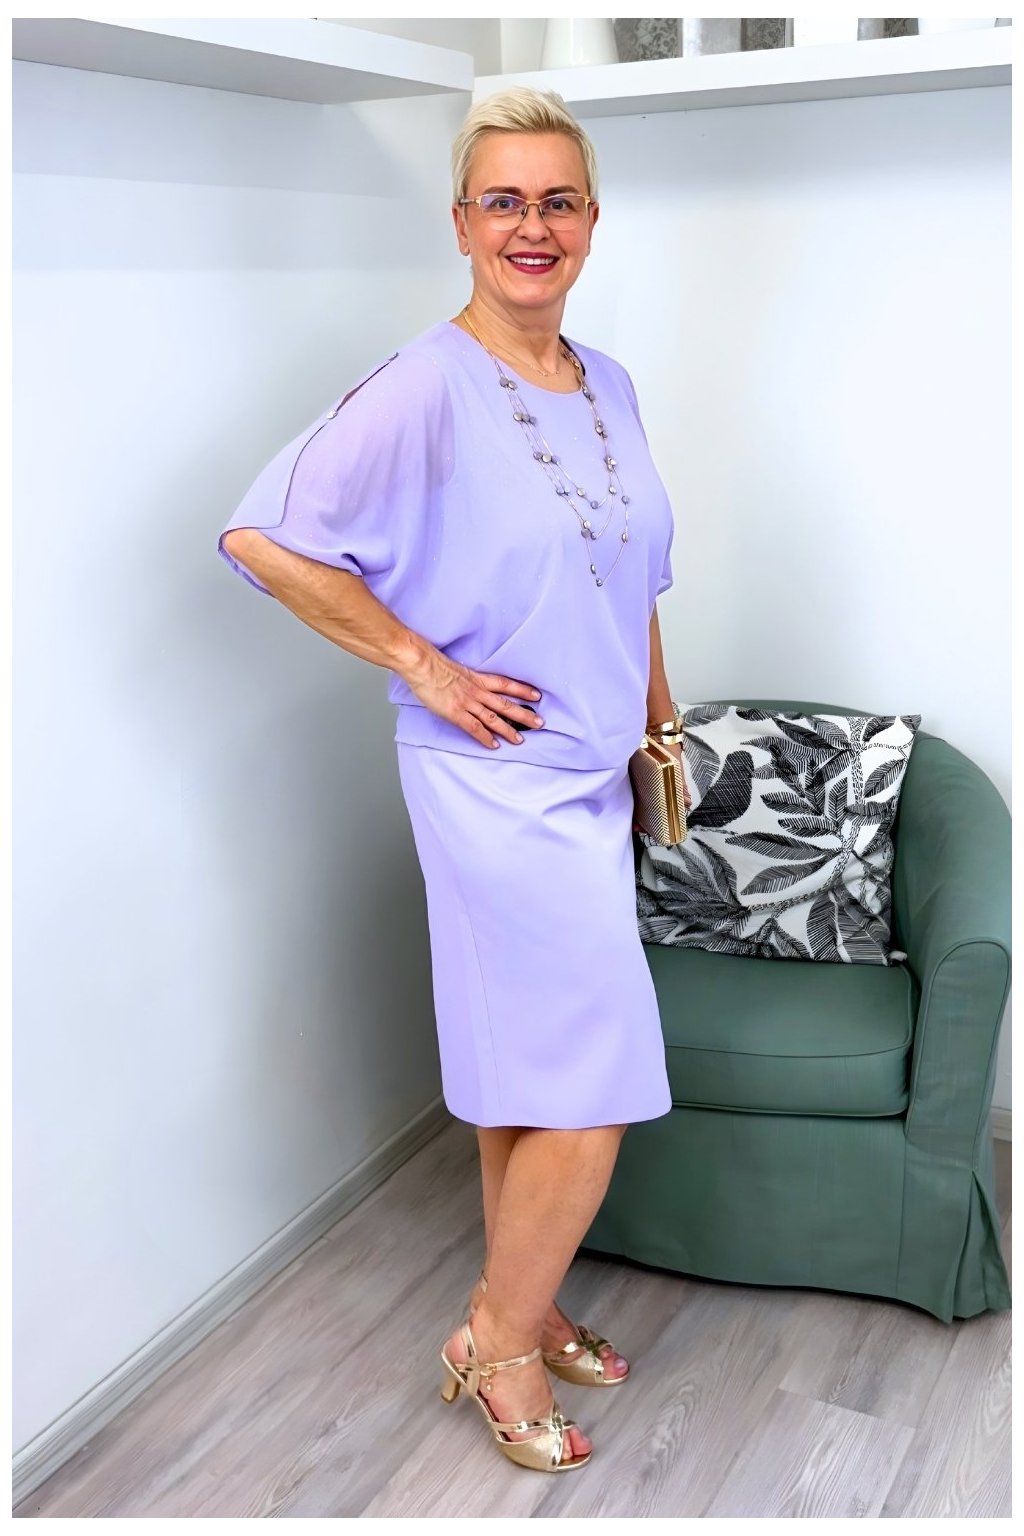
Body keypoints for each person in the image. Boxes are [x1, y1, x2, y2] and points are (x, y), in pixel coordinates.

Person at [218, 86, 690, 1475]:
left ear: (592, 221)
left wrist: (659, 728)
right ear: (462, 222)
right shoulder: (425, 383)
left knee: (525, 1072)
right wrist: (424, 665)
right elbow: (266, 539)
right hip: (490, 783)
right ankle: (496, 1338)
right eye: (504, 201)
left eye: (557, 201)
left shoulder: (611, 382)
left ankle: (522, 1306)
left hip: (591, 776)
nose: (531, 225)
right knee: (592, 1088)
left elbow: (637, 581)